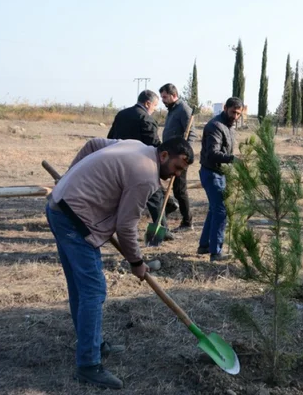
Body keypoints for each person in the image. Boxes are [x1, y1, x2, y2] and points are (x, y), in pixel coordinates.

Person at [46, 137, 193, 389]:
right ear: (165, 155)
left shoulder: (136, 144)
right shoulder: (146, 177)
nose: (176, 176)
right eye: (177, 168)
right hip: (75, 219)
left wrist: (70, 177)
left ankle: (92, 343)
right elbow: (126, 226)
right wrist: (136, 261)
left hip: (59, 205)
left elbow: (93, 144)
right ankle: (89, 365)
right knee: (93, 291)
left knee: (81, 289)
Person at [107, 90, 174, 241]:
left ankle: (108, 227)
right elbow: (155, 145)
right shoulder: (146, 119)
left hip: (118, 163)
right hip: (140, 165)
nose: (155, 109)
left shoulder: (121, 114)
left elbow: (110, 137)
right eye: (155, 105)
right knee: (155, 195)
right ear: (148, 103)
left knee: (119, 196)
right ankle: (163, 230)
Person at [198, 97, 243, 262]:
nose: (235, 116)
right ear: (225, 108)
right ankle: (216, 252)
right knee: (221, 211)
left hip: (220, 173)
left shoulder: (229, 127)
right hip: (211, 174)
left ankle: (204, 245)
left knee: (214, 209)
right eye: (233, 112)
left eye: (238, 114)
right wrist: (233, 159)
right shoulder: (215, 126)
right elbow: (212, 153)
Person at [160, 83, 196, 232]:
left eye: (165, 97)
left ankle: (187, 222)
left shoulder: (184, 109)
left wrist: (184, 154)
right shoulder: (172, 110)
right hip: (170, 156)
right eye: (162, 97)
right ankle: (167, 213)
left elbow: (191, 133)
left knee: (180, 190)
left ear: (174, 95)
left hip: (179, 158)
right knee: (175, 189)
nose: (163, 100)